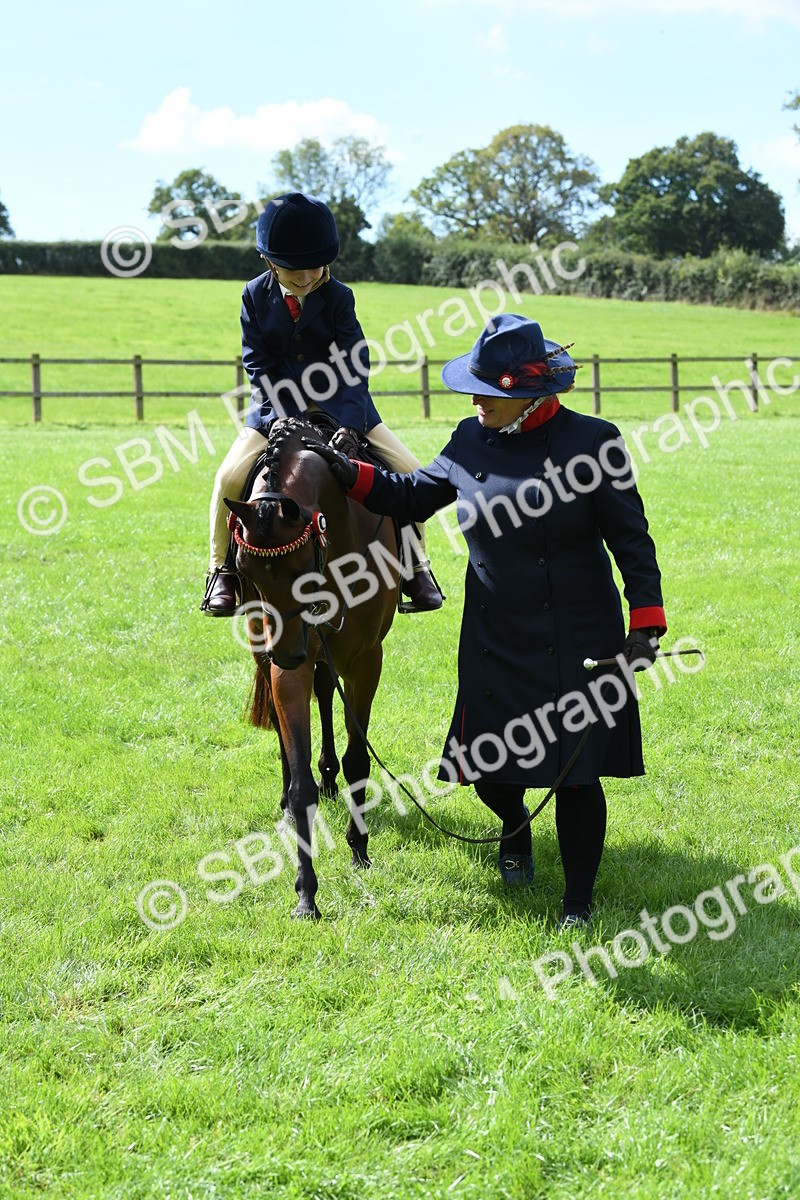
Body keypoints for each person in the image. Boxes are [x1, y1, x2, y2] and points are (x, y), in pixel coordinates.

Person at [305, 313, 667, 928]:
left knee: (576, 777)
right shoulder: (469, 440)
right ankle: (514, 827)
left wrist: (646, 627)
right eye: (473, 390)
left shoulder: (594, 442)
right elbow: (411, 496)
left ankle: (577, 904)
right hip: (494, 634)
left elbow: (632, 541)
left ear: (530, 395)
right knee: (490, 770)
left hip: (579, 634)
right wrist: (349, 473)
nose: (476, 402)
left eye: (488, 393)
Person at [202, 191, 442, 616]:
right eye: (294, 269)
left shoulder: (339, 296)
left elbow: (355, 365)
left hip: (343, 405)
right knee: (228, 478)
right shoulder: (253, 296)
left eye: (314, 267)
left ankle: (415, 566)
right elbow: (258, 364)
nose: (306, 277)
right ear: (269, 261)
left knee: (408, 471)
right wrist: (281, 419)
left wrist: (349, 425)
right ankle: (221, 571)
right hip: (275, 409)